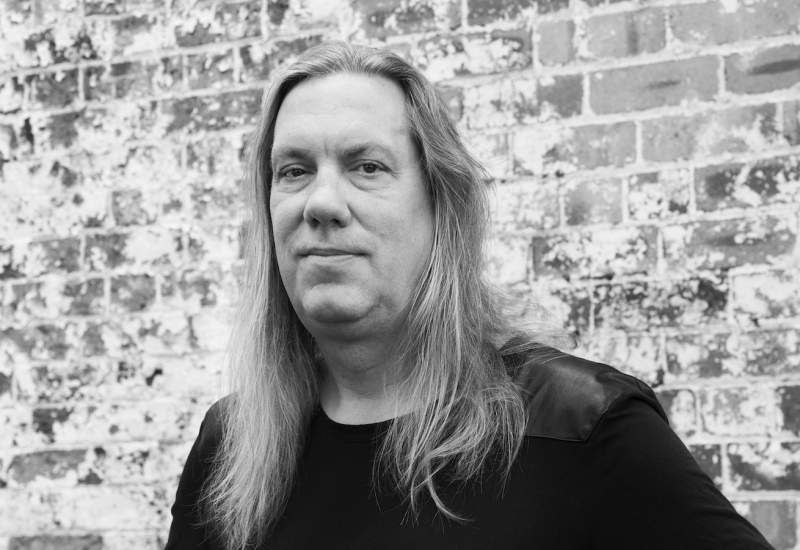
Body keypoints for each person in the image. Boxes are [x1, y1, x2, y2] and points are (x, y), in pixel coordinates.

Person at [164, 42, 774, 550]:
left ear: (442, 207)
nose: (321, 203)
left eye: (367, 166)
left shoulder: (578, 426)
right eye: (294, 170)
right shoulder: (232, 446)